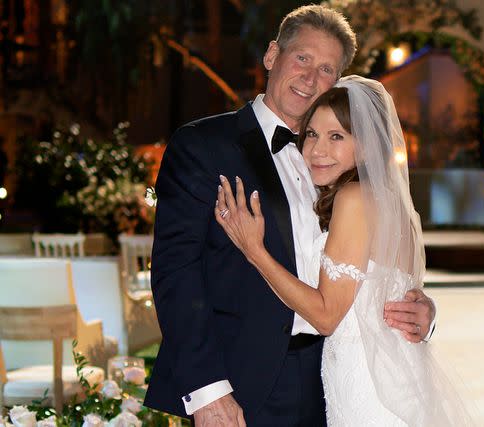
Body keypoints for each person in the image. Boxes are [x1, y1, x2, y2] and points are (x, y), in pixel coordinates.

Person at [145, 5, 436, 426]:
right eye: (302, 58)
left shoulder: (339, 165)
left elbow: (372, 266)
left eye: (326, 70)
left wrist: (422, 312)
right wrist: (208, 391)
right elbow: (176, 273)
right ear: (271, 55)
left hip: (333, 380)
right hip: (240, 385)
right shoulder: (204, 145)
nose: (310, 78)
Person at [215, 75, 474, 426]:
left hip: (369, 389)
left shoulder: (353, 199)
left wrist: (254, 250)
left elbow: (325, 316)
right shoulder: (394, 204)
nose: (317, 150)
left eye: (337, 136)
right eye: (311, 134)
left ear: (367, 145)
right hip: (397, 380)